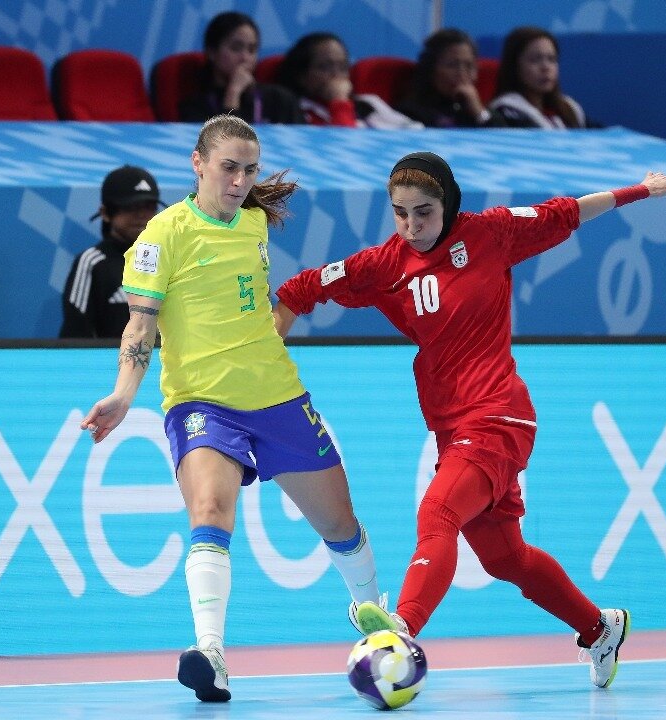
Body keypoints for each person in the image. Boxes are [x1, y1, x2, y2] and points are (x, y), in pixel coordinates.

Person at [275, 151, 666, 689]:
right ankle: (599, 628)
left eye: (424, 212)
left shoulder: (490, 234)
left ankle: (401, 629)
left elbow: (567, 212)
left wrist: (642, 190)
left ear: (448, 204)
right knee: (504, 557)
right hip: (452, 427)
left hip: (499, 415)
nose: (412, 225)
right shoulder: (385, 265)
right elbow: (300, 289)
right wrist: (267, 347)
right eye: (400, 213)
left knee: (438, 512)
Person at [79, 115, 384, 703]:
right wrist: (122, 394)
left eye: (249, 170)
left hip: (276, 395)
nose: (240, 181)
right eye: (228, 168)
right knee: (211, 510)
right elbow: (140, 326)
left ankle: (376, 619)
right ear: (197, 164)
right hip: (201, 401)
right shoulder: (161, 237)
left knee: (339, 526)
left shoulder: (254, 222)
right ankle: (212, 654)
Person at [60, 166, 163, 338]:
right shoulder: (92, 263)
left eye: (149, 206)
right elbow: (76, 333)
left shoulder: (171, 259)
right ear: (105, 213)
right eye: (130, 207)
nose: (142, 215)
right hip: (110, 357)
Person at [274, 32, 422, 129]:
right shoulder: (295, 112)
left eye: (343, 66)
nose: (336, 74)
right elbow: (342, 145)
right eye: (324, 67)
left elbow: (414, 131)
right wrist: (339, 102)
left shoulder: (369, 103)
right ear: (302, 76)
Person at [178, 11, 303, 124]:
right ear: (212, 52)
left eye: (252, 50)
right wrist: (233, 93)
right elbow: (229, 141)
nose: (245, 57)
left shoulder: (281, 100)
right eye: (236, 48)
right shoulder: (195, 108)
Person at [489, 26, 597, 129]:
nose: (546, 67)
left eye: (552, 59)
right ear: (514, 66)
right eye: (535, 60)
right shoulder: (506, 112)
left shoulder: (569, 109)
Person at [397, 28, 508, 128]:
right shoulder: (412, 113)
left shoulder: (479, 111)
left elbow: (503, 137)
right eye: (452, 65)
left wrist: (479, 113)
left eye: (469, 66)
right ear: (430, 69)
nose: (462, 73)